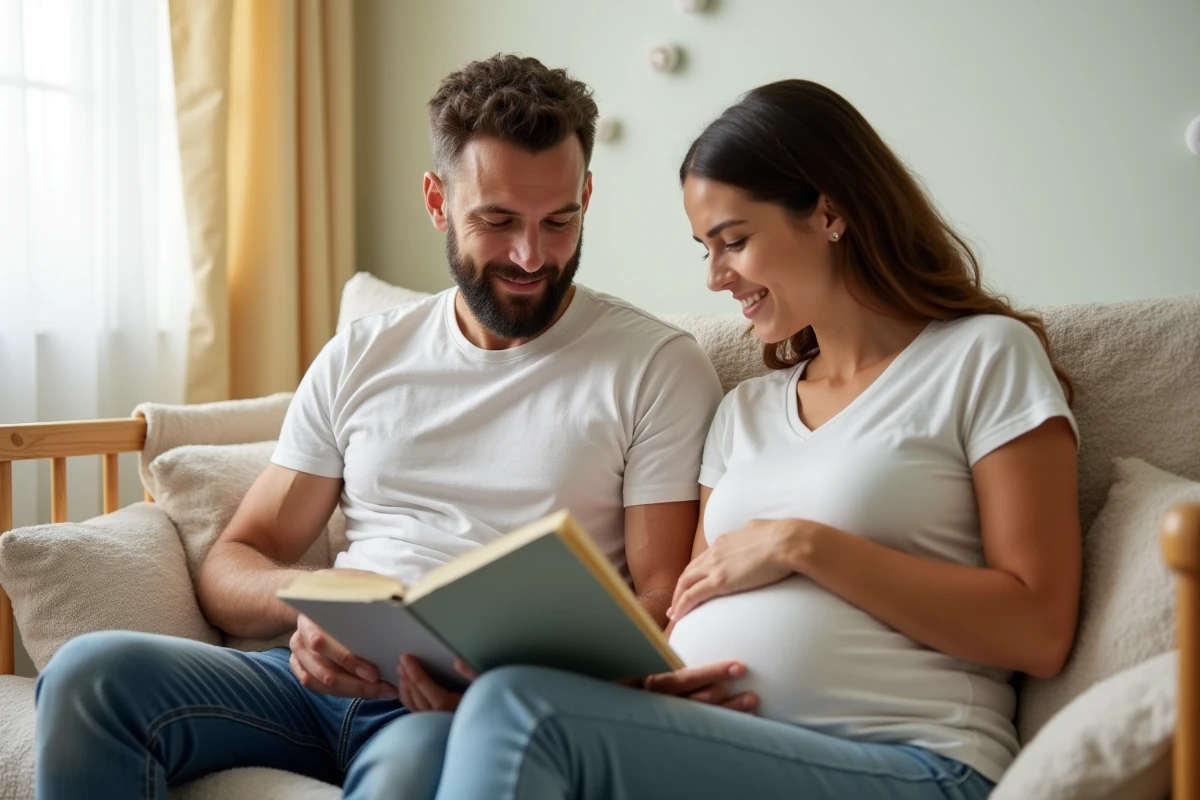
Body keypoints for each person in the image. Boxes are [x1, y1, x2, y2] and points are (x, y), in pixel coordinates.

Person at [33, 55, 723, 800]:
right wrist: (313, 599)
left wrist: (504, 685)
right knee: (88, 675)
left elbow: (660, 602)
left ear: (586, 195)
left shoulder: (656, 366)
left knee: (410, 776)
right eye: (496, 221)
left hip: (459, 712)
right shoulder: (363, 355)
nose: (531, 256)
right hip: (307, 686)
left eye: (559, 221)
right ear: (437, 201)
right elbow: (233, 561)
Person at [407, 79, 1082, 799]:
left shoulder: (984, 357)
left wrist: (803, 545)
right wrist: (638, 683)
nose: (715, 277)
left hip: (919, 762)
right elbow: (684, 615)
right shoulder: (745, 411)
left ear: (829, 213)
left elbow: (1039, 630)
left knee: (521, 713)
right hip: (720, 753)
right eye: (705, 249)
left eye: (734, 241)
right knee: (463, 721)